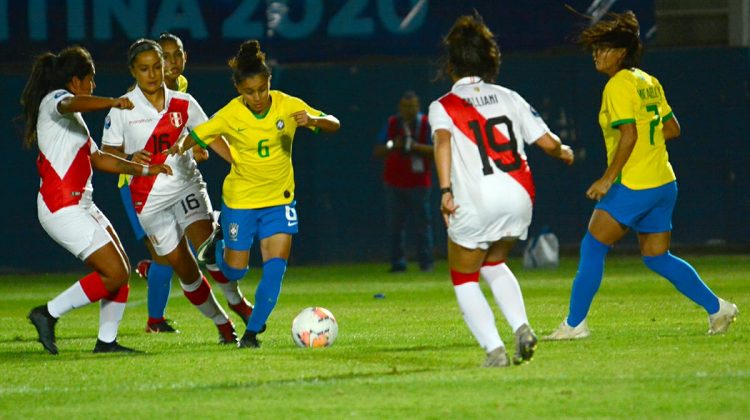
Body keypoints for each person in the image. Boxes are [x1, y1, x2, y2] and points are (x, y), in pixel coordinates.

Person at [545, 11, 738, 340]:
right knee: (656, 257)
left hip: (634, 183)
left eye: (603, 48)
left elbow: (629, 135)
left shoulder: (617, 85)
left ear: (620, 53)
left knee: (592, 245)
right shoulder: (648, 81)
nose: (596, 53)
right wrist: (649, 143)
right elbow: (672, 129)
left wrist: (607, 178)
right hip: (664, 181)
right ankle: (718, 308)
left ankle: (575, 325)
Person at [167, 40, 341, 349]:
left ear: (269, 84)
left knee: (275, 269)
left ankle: (252, 333)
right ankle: (218, 241)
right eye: (250, 92)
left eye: (262, 89)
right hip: (241, 202)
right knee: (235, 270)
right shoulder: (230, 114)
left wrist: (314, 121)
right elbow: (198, 134)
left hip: (279, 201)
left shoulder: (287, 104)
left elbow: (334, 123)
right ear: (239, 90)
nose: (257, 97)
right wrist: (183, 146)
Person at [428, 14, 574, 367]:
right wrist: (564, 152)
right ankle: (522, 327)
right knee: (493, 261)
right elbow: (547, 141)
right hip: (519, 196)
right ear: (490, 60)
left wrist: (445, 189)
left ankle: (495, 351)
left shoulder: (443, 106)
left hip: (477, 200)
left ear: (450, 65)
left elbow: (443, 142)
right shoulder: (509, 97)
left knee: (463, 276)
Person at [22, 46, 172, 354]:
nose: (94, 85)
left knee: (122, 271)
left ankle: (107, 342)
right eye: (91, 79)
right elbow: (70, 102)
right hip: (60, 206)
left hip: (81, 204)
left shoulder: (74, 119)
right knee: (113, 272)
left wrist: (145, 168)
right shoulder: (55, 101)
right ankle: (47, 313)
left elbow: (101, 159)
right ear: (76, 81)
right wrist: (113, 102)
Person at [101, 39, 253, 344]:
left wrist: (242, 165)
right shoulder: (123, 109)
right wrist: (130, 160)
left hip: (186, 187)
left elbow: (210, 136)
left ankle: (238, 302)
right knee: (184, 270)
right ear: (133, 71)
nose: (153, 74)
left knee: (210, 249)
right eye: (144, 69)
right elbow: (107, 154)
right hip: (148, 201)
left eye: (157, 66)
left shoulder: (184, 102)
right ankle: (222, 324)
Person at [373, 90, 435, 273]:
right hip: (395, 182)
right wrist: (394, 145)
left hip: (419, 182)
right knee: (395, 225)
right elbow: (378, 150)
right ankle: (398, 263)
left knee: (423, 225)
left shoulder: (425, 124)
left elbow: (436, 149)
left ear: (418, 106)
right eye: (406, 106)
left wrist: (415, 147)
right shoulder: (392, 123)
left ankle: (426, 263)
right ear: (400, 107)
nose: (409, 110)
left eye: (413, 106)